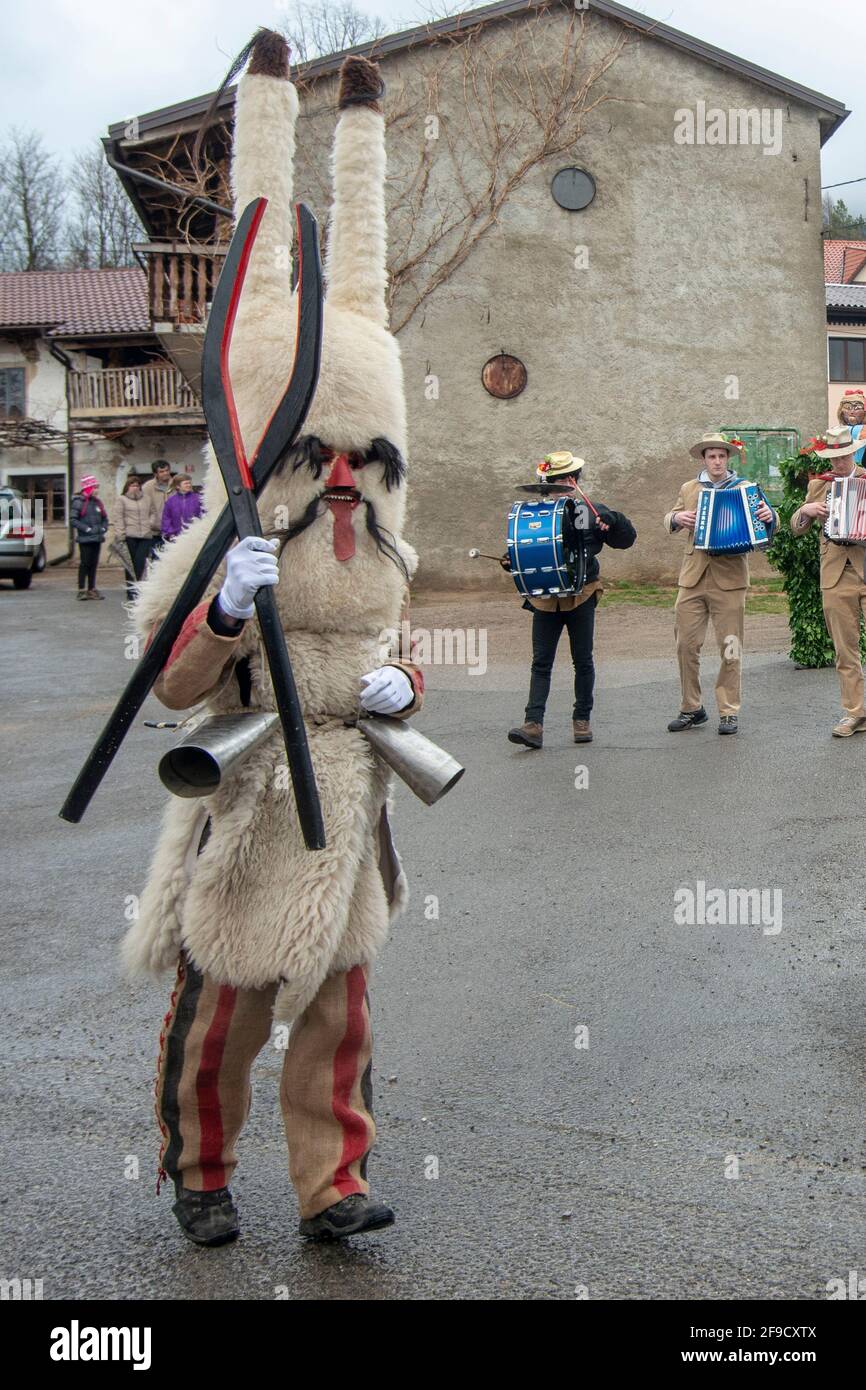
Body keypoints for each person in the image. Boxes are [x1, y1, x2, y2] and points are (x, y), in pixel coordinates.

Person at [122, 36, 428, 1248]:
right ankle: (201, 1171)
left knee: (338, 1012)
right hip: (247, 792)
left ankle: (330, 1187)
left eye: (365, 460)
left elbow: (384, 659)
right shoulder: (220, 545)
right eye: (320, 458)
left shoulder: (382, 553)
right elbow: (171, 682)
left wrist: (399, 685)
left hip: (348, 792)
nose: (345, 477)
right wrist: (226, 604)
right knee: (221, 1015)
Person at [505, 450, 636, 748]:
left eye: (568, 479)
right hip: (546, 598)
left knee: (583, 660)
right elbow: (526, 551)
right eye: (555, 481)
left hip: (582, 593)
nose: (562, 484)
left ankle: (582, 720)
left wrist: (613, 522)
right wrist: (513, 561)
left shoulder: (590, 511)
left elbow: (626, 540)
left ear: (574, 481)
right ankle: (533, 725)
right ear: (547, 484)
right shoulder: (534, 516)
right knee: (541, 662)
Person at [664, 433, 777, 736]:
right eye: (711, 456)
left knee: (730, 647)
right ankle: (691, 708)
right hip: (692, 577)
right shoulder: (689, 488)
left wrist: (770, 516)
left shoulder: (744, 488)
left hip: (730, 579)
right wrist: (678, 518)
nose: (716, 461)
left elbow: (768, 522)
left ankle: (728, 711)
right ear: (704, 459)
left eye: (721, 456)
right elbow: (670, 518)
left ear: (728, 459)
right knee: (685, 645)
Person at [790, 425, 866, 736]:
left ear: (852, 453)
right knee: (845, 650)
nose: (837, 463)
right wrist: (805, 510)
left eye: (842, 456)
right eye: (832, 458)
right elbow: (797, 527)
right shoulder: (819, 486)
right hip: (835, 575)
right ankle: (855, 713)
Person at [71, 474, 109, 600]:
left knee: (94, 564)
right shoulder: (79, 502)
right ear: (88, 488)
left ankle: (91, 588)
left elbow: (104, 518)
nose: (97, 490)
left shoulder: (98, 503)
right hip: (85, 539)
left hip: (97, 538)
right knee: (85, 563)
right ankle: (81, 589)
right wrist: (87, 529)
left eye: (97, 487)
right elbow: (73, 520)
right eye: (95, 487)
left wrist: (103, 528)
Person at [114, 475, 152, 599]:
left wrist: (150, 524)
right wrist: (121, 534)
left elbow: (153, 513)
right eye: (132, 485)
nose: (135, 488)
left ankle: (139, 590)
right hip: (130, 535)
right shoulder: (122, 499)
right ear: (127, 487)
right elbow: (118, 517)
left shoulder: (146, 498)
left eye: (137, 485)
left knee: (141, 564)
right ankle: (131, 591)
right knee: (130, 566)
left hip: (145, 535)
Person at [142, 460, 174, 553]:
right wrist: (150, 523)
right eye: (162, 471)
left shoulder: (176, 484)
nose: (165, 473)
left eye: (167, 470)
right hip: (155, 532)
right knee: (156, 559)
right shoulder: (147, 487)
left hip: (174, 530)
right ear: (155, 473)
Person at [160, 474, 203, 541]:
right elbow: (166, 519)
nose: (189, 485)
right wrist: (170, 534)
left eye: (190, 483)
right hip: (177, 537)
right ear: (178, 486)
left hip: (197, 536)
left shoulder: (199, 498)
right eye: (186, 483)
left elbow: (205, 515)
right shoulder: (170, 502)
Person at [836, 389, 866, 466]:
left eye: (857, 407)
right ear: (841, 411)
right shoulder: (837, 429)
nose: (852, 411)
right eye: (847, 407)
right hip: (843, 469)